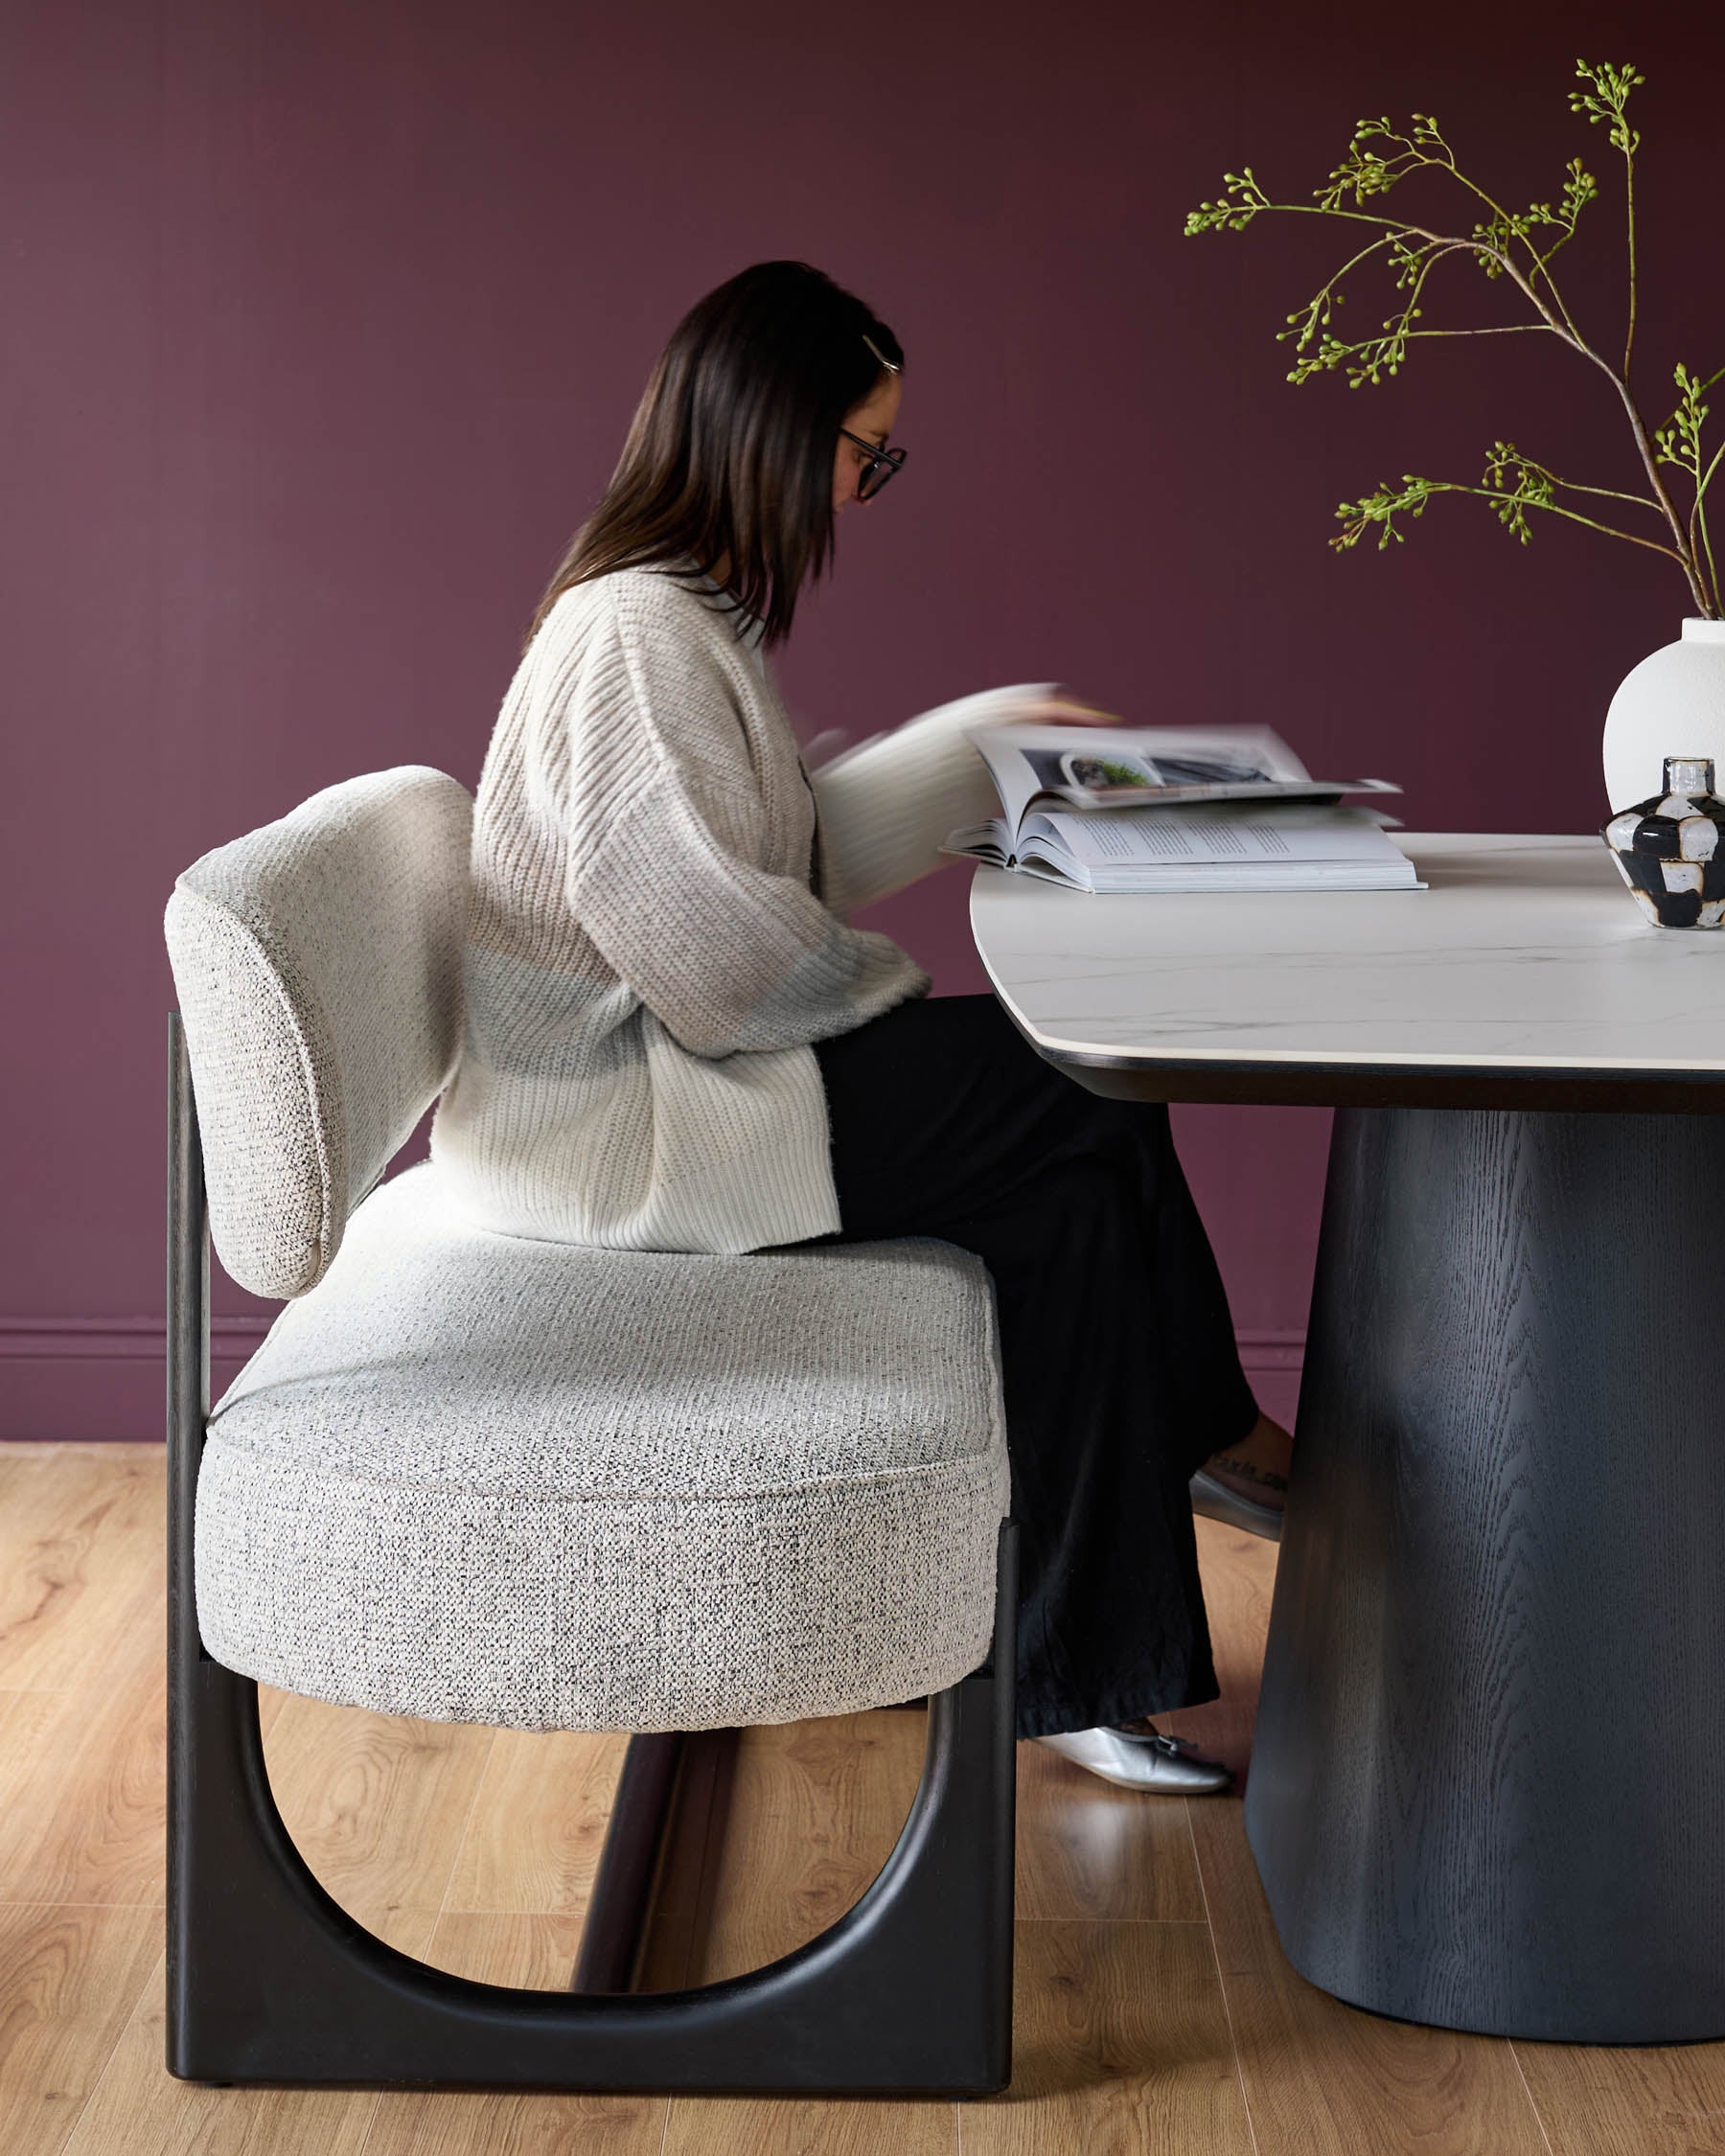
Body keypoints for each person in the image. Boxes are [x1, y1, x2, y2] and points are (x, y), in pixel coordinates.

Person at [428, 260, 1293, 1796]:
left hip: (680, 1083)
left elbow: (776, 846)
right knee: (1079, 1092)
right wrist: (904, 1008)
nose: (866, 489)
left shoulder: (669, 616)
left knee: (1075, 1197)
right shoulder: (635, 635)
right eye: (863, 451)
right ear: (773, 431)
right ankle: (1208, 1439)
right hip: (633, 1125)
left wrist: (990, 746)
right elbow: (712, 949)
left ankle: (1084, 1664)